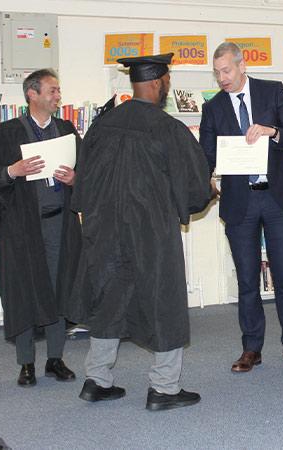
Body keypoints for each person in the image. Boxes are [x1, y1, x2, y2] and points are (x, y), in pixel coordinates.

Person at [69, 53, 212, 411]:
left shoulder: (102, 126)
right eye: (167, 80)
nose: (167, 86)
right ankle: (164, 388)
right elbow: (194, 189)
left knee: (109, 299)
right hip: (151, 233)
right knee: (164, 303)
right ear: (157, 83)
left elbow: (82, 181)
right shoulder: (168, 129)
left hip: (105, 232)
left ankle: (96, 380)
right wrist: (210, 189)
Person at [199, 42, 283, 373]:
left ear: (242, 65)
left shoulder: (272, 91)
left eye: (227, 71)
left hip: (276, 197)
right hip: (239, 202)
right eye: (217, 73)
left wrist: (272, 131)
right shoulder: (213, 108)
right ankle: (251, 348)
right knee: (247, 278)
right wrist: (203, 179)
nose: (222, 78)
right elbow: (207, 154)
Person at [0, 68, 81, 387]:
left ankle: (56, 359)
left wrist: (75, 179)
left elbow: (85, 170)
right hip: (22, 228)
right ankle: (26, 363)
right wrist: (12, 170)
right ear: (32, 94)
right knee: (22, 291)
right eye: (52, 91)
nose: (58, 96)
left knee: (60, 290)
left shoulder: (67, 131)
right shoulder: (2, 134)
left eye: (58, 91)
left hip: (60, 225)